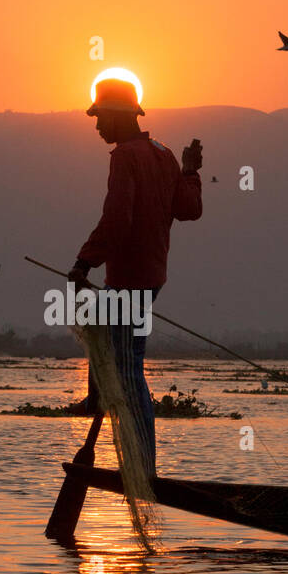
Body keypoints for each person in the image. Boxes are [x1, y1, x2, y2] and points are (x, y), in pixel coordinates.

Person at [68, 73, 203, 473]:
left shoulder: (124, 157)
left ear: (117, 117)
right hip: (150, 275)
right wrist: (190, 172)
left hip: (130, 279)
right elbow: (188, 209)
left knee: (128, 370)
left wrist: (83, 262)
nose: (96, 126)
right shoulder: (163, 154)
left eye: (100, 118)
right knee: (99, 330)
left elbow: (117, 220)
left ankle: (144, 466)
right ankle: (96, 397)